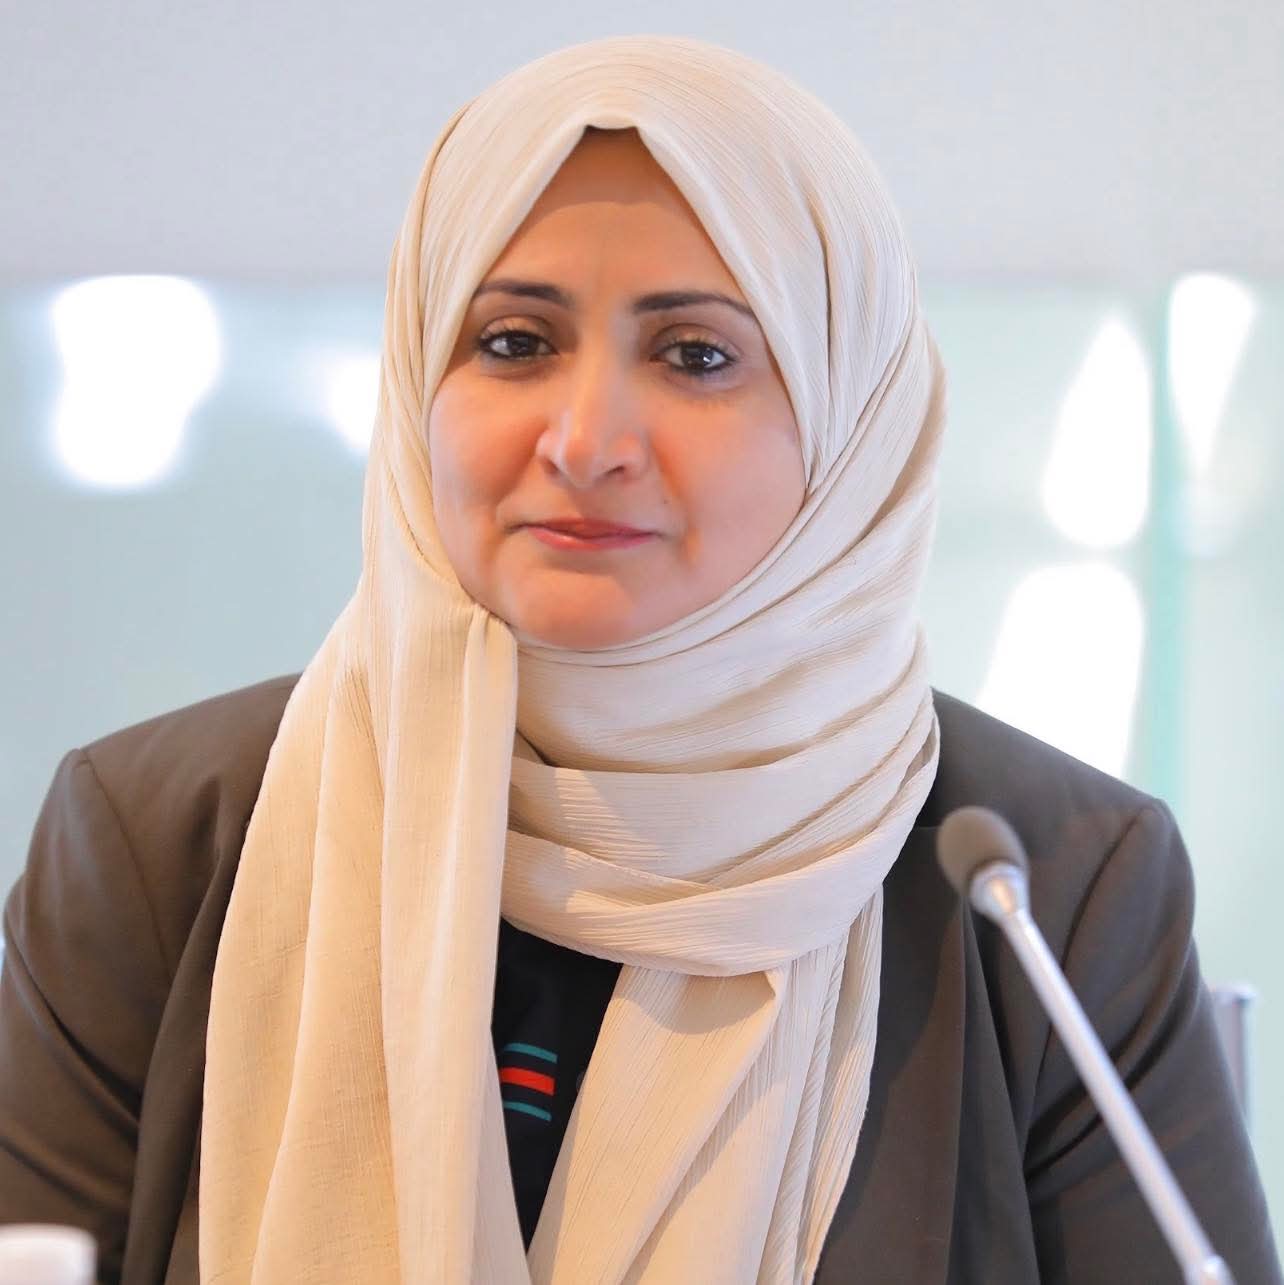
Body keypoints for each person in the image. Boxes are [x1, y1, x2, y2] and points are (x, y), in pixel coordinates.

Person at [0, 32, 1278, 1285]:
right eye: (514, 342)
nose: (586, 437)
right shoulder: (163, 842)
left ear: (848, 418)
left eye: (695, 355)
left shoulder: (1047, 884)